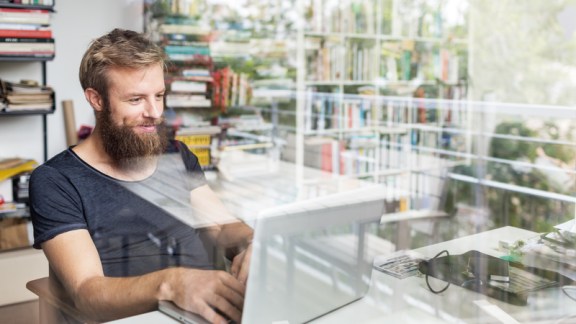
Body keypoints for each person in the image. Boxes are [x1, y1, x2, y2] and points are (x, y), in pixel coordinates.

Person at [29, 28, 253, 324]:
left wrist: (253, 242)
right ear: (96, 99)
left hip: (207, 314)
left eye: (159, 95)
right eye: (136, 100)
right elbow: (88, 293)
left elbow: (223, 228)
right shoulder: (56, 180)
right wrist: (172, 284)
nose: (154, 112)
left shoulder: (177, 155)